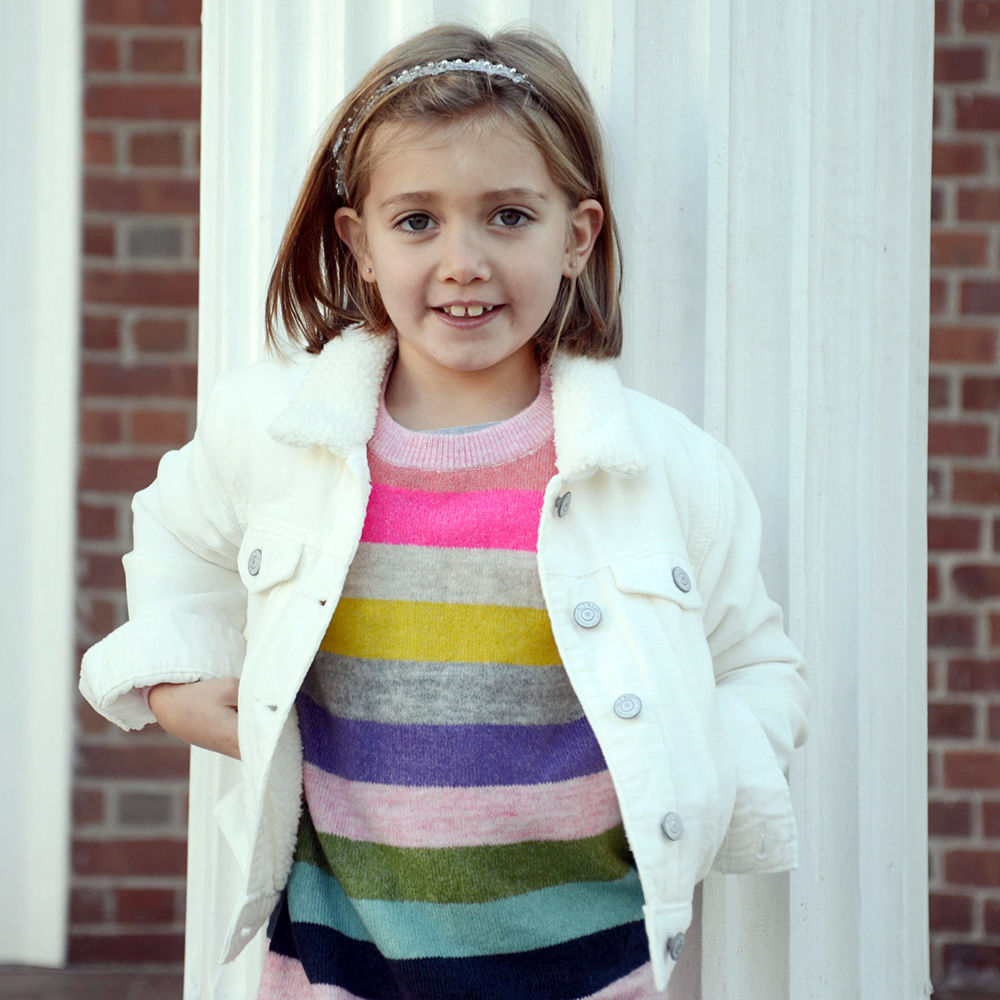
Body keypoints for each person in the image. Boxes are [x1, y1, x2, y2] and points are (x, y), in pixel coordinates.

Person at [80, 22, 810, 1000]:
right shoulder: (279, 437)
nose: (463, 260)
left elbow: (757, 666)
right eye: (417, 220)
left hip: (587, 964)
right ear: (360, 243)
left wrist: (686, 771)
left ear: (576, 236)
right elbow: (179, 537)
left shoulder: (660, 469)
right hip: (341, 958)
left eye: (508, 216)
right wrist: (175, 679)